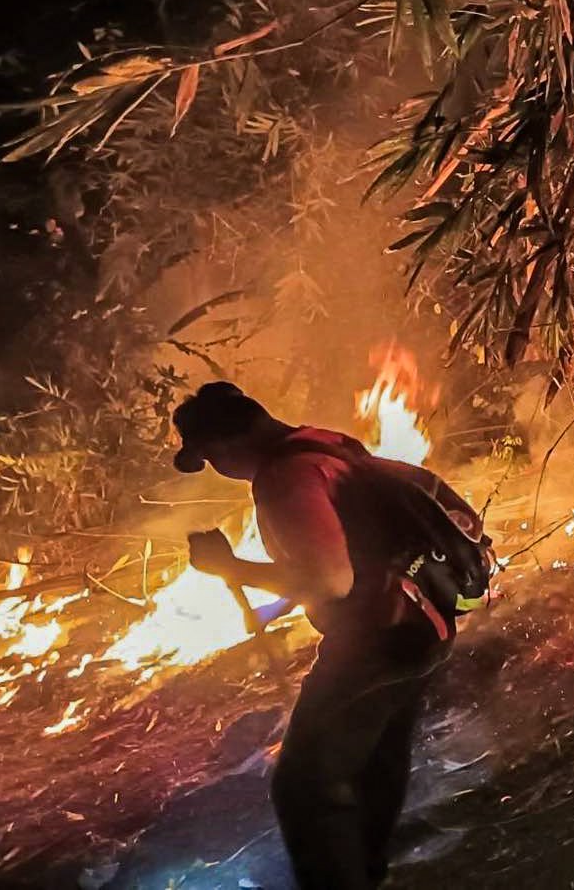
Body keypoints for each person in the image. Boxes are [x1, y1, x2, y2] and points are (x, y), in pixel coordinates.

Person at [173, 381, 483, 890]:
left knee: (306, 787)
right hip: (424, 623)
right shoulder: (323, 442)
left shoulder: (285, 478)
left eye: (209, 459)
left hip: (375, 640)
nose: (217, 471)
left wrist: (231, 567)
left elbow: (331, 580)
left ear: (225, 447)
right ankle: (367, 871)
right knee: (377, 756)